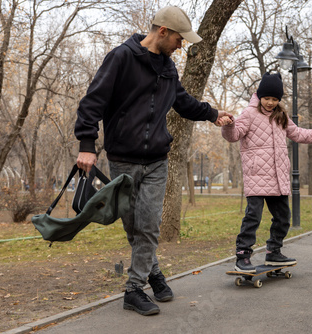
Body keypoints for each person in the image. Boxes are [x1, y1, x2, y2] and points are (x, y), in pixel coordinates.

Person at [74, 6, 233, 316]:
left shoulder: (168, 68)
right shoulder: (121, 58)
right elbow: (93, 101)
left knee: (149, 225)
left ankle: (133, 290)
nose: (180, 45)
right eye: (178, 39)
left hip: (158, 160)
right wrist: (86, 143)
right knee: (134, 227)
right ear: (162, 32)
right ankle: (154, 273)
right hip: (123, 160)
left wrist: (213, 115)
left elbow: (183, 102)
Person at [221, 72, 312, 273]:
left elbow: (298, 134)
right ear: (259, 96)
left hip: (278, 177)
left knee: (283, 217)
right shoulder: (249, 114)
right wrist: (229, 125)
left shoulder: (281, 116)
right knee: (253, 217)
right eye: (267, 98)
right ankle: (243, 255)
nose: (271, 103)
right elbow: (234, 135)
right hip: (256, 176)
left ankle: (274, 251)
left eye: (275, 99)